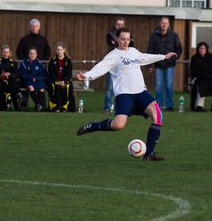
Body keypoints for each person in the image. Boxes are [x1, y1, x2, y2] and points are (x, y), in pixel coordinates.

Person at [76, 27, 177, 161]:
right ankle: (93, 126)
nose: (125, 42)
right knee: (118, 125)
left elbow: (145, 57)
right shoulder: (113, 56)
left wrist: (163, 56)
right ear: (117, 39)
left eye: (128, 39)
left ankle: (149, 154)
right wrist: (87, 76)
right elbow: (100, 68)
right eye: (123, 39)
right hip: (125, 95)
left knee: (158, 115)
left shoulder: (134, 51)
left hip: (141, 92)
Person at [147, 17, 183, 111]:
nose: (164, 25)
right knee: (159, 85)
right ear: (160, 24)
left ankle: (169, 105)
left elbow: (179, 49)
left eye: (166, 23)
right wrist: (150, 65)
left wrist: (174, 57)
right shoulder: (153, 36)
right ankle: (158, 105)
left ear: (168, 24)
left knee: (169, 85)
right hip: (158, 64)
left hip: (170, 64)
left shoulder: (174, 35)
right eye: (163, 23)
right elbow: (150, 50)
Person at [104, 17, 135, 115]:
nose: (119, 26)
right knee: (109, 87)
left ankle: (120, 108)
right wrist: (121, 43)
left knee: (122, 88)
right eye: (118, 24)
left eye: (121, 24)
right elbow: (114, 45)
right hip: (112, 63)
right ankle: (107, 108)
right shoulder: (110, 34)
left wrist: (119, 42)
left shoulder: (128, 34)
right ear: (115, 25)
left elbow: (131, 45)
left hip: (123, 64)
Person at [190, 42, 212, 112]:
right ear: (198, 49)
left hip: (210, 77)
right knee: (202, 84)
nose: (202, 50)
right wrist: (203, 76)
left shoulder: (210, 57)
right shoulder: (194, 58)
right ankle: (199, 106)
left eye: (204, 48)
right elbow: (194, 70)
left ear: (206, 49)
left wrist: (209, 76)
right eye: (200, 48)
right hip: (198, 77)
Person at [48, 42, 75, 112]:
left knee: (68, 87)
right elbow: (51, 73)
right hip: (55, 81)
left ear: (64, 50)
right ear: (56, 51)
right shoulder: (53, 60)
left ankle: (64, 106)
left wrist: (64, 81)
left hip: (65, 81)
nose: (59, 51)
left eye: (60, 50)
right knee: (56, 87)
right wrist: (58, 81)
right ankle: (56, 106)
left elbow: (69, 74)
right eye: (57, 50)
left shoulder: (68, 61)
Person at [18, 47, 48, 111]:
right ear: (28, 54)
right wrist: (32, 77)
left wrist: (37, 78)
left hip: (38, 80)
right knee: (31, 87)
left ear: (36, 54)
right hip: (27, 81)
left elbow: (45, 76)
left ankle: (42, 106)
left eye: (34, 53)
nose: (32, 55)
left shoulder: (40, 64)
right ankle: (38, 104)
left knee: (41, 88)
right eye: (31, 53)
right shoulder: (24, 63)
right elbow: (22, 75)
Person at [0, 45, 21, 111]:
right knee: (6, 82)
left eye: (7, 52)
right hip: (0, 80)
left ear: (9, 53)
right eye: (4, 52)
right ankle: (17, 95)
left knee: (10, 80)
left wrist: (9, 74)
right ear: (1, 53)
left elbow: (16, 74)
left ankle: (7, 104)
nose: (5, 54)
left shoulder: (13, 62)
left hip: (10, 82)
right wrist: (2, 75)